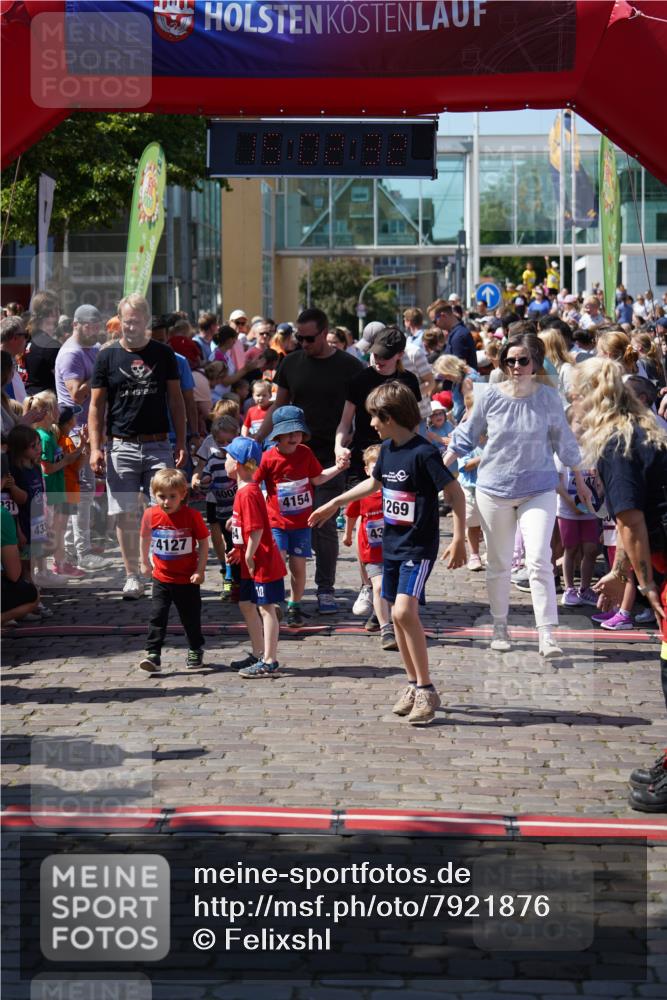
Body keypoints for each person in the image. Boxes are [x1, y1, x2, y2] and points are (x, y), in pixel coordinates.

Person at [310, 382, 467, 726]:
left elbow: (455, 493)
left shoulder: (423, 453)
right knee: (396, 618)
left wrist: (459, 539)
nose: (371, 424)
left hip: (418, 547)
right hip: (391, 546)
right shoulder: (385, 450)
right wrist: (336, 502)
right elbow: (374, 483)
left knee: (404, 611)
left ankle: (426, 688)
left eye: (375, 417)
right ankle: (412, 683)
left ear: (391, 416)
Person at [443, 333, 593, 659]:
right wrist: (440, 469)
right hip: (493, 489)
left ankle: (547, 633)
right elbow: (466, 436)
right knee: (499, 563)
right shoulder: (488, 395)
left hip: (539, 489)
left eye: (522, 360)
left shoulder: (549, 398)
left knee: (539, 559)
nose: (515, 366)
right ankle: (500, 625)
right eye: (509, 360)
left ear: (535, 363)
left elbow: (564, 441)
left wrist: (580, 480)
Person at [570, 358, 667, 812]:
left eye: (575, 394)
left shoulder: (616, 441)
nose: (572, 402)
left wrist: (643, 585)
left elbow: (631, 521)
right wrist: (621, 572)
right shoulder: (635, 428)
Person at [255, 307, 363, 615]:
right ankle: (285, 592)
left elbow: (359, 408)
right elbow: (278, 406)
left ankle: (325, 589)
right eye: (299, 338)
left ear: (325, 333)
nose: (302, 343)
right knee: (284, 524)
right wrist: (257, 439)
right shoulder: (291, 362)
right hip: (290, 457)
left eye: (309, 338)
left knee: (323, 524)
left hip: (329, 455)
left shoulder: (349, 366)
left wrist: (351, 439)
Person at [88, 294, 187, 600]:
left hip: (158, 443)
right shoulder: (107, 356)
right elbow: (96, 405)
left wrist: (182, 440)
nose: (130, 326)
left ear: (146, 321)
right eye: (126, 321)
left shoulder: (163, 353)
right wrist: (96, 447)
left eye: (136, 321)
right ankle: (132, 575)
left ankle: (163, 570)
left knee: (166, 508)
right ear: (119, 321)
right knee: (125, 513)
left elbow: (176, 400)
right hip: (121, 446)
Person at [255, 405, 348, 627]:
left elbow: (317, 478)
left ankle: (294, 606)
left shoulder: (305, 453)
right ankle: (273, 602)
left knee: (298, 567)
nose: (293, 437)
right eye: (288, 433)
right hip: (276, 523)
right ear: (277, 435)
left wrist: (338, 468)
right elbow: (252, 483)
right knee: (277, 562)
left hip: (301, 524)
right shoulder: (268, 458)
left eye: (297, 432)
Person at [54, 304, 111, 572]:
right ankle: (78, 552)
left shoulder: (92, 347)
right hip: (76, 433)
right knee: (81, 494)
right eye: (89, 325)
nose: (94, 329)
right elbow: (76, 395)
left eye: (96, 325)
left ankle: (75, 549)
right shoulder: (71, 353)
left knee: (85, 493)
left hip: (91, 431)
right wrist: (99, 369)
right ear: (76, 324)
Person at [225, 436, 287, 678]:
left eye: (228, 456)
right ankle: (258, 652)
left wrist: (249, 555)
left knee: (266, 608)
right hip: (249, 561)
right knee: (246, 604)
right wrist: (239, 549)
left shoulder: (249, 492)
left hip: (262, 561)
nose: (225, 461)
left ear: (237, 463)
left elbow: (257, 529)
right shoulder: (243, 491)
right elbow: (245, 527)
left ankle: (270, 660)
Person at [138, 468, 209, 673]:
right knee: (157, 615)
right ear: (154, 494)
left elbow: (204, 543)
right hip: (161, 577)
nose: (166, 502)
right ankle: (153, 653)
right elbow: (144, 538)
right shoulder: (150, 514)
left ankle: (195, 648)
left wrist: (200, 570)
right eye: (161, 496)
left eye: (172, 497)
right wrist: (144, 561)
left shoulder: (192, 516)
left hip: (187, 579)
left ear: (183, 495)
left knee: (190, 617)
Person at [342, 443, 397, 652]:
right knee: (380, 586)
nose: (380, 471)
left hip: (395, 550)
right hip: (372, 551)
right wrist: (348, 534)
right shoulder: (362, 492)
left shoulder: (396, 490)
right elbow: (351, 514)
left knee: (391, 589)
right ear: (367, 470)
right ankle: (386, 630)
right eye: (375, 467)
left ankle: (377, 614)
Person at [555, 409, 603, 608]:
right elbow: (557, 483)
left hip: (590, 512)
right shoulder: (563, 452)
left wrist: (598, 494)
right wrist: (571, 503)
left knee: (591, 549)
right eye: (578, 422)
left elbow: (599, 478)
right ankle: (569, 589)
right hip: (568, 512)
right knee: (571, 549)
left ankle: (585, 588)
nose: (583, 426)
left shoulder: (594, 451)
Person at [1, 454, 39, 624]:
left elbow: (23, 498)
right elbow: (14, 574)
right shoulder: (2, 515)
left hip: (18, 529)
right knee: (32, 595)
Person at [24, 290, 61, 395]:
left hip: (27, 399)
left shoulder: (26, 338)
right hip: (46, 401)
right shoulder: (51, 346)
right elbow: (63, 381)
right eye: (58, 309)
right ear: (52, 313)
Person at [433, 304, 478, 369]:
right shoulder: (455, 333)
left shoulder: (459, 335)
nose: (436, 324)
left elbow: (458, 369)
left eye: (435, 321)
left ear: (443, 316)